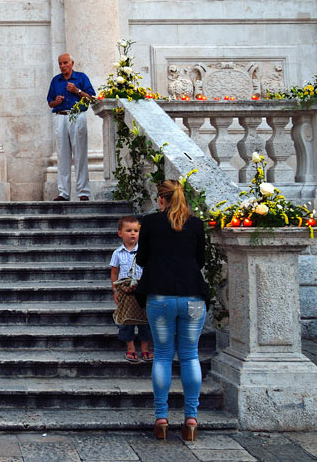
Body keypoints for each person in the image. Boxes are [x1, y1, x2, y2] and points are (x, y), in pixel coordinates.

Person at [135, 180, 208, 442]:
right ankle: (191, 419)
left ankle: (162, 418)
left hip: (160, 296)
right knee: (190, 356)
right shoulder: (196, 223)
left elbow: (141, 258)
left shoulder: (151, 222)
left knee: (163, 356)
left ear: (161, 198)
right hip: (192, 296)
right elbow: (201, 260)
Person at [46, 53, 96, 201]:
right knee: (62, 155)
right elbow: (50, 103)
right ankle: (63, 192)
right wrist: (56, 101)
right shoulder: (56, 80)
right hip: (60, 116)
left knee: (80, 154)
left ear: (72, 63)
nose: (62, 66)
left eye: (65, 63)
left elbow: (92, 98)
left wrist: (77, 91)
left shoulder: (81, 78)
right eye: (60, 63)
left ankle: (83, 192)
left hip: (77, 115)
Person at [110, 216, 152, 363]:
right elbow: (114, 272)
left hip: (142, 290)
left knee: (145, 321)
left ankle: (145, 349)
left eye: (136, 230)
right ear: (120, 233)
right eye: (128, 231)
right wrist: (115, 291)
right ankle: (131, 349)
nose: (133, 234)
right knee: (126, 321)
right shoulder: (117, 253)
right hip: (125, 291)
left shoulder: (144, 251)